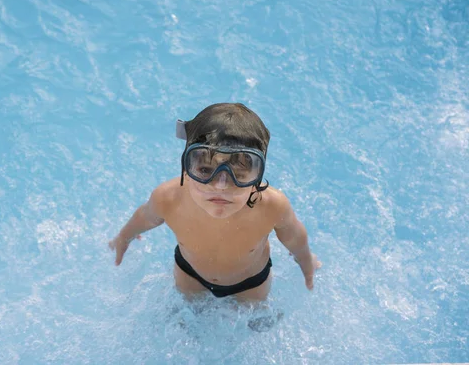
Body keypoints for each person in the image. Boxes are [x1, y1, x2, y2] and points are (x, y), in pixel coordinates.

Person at [109, 103, 321, 301]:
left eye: (239, 174)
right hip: (190, 275)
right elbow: (146, 217)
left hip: (251, 283)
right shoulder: (168, 197)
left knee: (255, 324)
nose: (220, 185)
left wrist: (306, 261)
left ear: (257, 177)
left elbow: (294, 237)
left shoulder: (272, 206)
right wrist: (123, 237)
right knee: (187, 320)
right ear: (186, 168)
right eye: (204, 170)